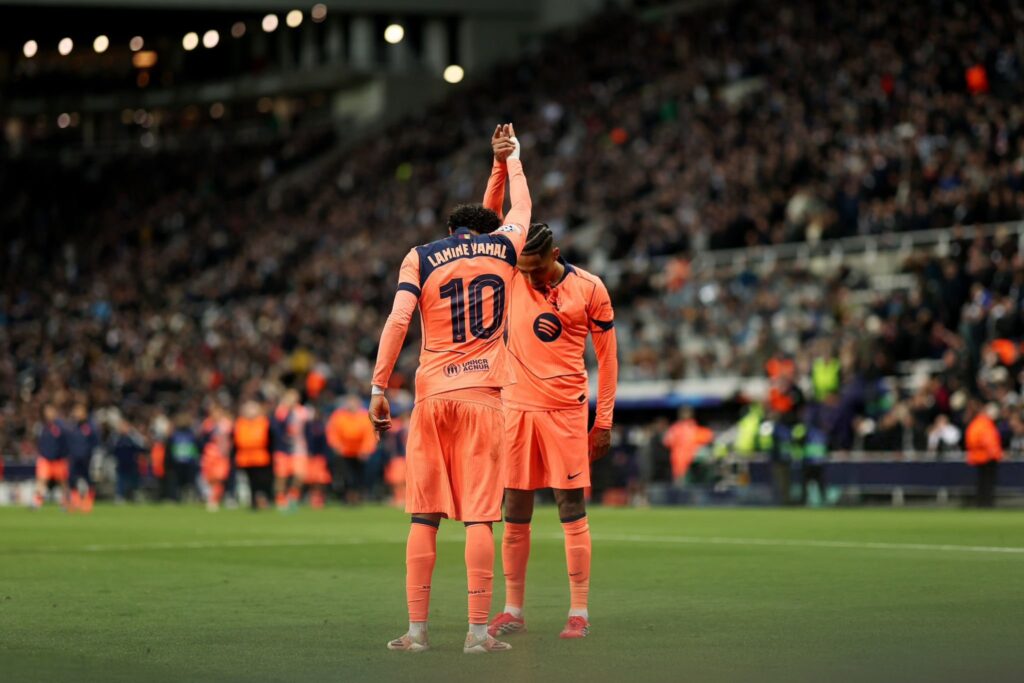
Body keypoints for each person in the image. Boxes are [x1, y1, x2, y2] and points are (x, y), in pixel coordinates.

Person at [370, 122, 531, 655]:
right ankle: (476, 634)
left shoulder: (420, 255)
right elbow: (520, 212)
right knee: (482, 516)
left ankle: (416, 633)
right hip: (485, 397)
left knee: (424, 514)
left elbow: (397, 322)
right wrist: (512, 160)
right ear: (487, 229)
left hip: (432, 397)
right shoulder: (505, 250)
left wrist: (377, 387)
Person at [480, 127, 618, 640]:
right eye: (525, 270)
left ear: (555, 253)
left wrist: (602, 421)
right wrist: (502, 164)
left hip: (564, 411)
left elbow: (608, 358)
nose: (531, 278)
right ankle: (513, 610)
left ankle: (578, 611)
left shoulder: (590, 289)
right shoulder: (512, 273)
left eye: (537, 269)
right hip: (514, 408)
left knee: (570, 506)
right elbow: (491, 218)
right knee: (513, 508)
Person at [326, 396, 376, 504]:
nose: (351, 406)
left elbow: (370, 435)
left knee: (359, 476)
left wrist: (365, 450)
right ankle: (347, 496)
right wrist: (337, 446)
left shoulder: (364, 416)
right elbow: (332, 432)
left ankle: (356, 496)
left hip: (359, 453)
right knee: (346, 475)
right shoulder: (338, 416)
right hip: (344, 452)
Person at [270, 389, 309, 510]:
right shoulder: (281, 411)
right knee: (281, 476)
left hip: (298, 447)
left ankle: (293, 496)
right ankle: (280, 499)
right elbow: (276, 428)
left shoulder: (302, 412)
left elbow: (308, 430)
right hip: (283, 449)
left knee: (300, 475)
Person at [233, 400, 273, 510]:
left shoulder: (264, 422)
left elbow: (271, 440)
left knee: (262, 481)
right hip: (245, 458)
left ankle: (264, 500)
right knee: (250, 482)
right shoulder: (240, 423)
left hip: (261, 458)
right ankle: (253, 502)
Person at [964, 399, 1003, 507]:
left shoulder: (976, 423)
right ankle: (986, 503)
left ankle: (981, 502)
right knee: (988, 483)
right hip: (987, 458)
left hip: (977, 457)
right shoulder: (986, 424)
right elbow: (989, 442)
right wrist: (997, 455)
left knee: (981, 482)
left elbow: (970, 441)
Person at [662, 407, 714, 484]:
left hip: (693, 464)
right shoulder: (676, 428)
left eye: (687, 413)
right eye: (684, 413)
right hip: (680, 465)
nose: (685, 415)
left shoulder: (693, 428)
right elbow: (667, 441)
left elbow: (708, 436)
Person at [65, 403, 99, 513]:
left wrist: (92, 456)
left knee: (88, 479)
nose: (77, 414)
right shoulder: (72, 427)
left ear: (84, 413)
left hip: (87, 458)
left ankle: (88, 502)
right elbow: (68, 442)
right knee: (72, 480)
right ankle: (75, 502)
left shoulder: (90, 427)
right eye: (76, 411)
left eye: (79, 411)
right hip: (74, 458)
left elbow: (96, 443)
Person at [34, 404, 69, 509]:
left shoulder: (61, 426)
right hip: (45, 459)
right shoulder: (42, 426)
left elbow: (66, 443)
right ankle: (37, 502)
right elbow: (40, 442)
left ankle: (65, 502)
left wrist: (64, 455)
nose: (48, 413)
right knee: (41, 480)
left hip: (59, 459)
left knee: (63, 482)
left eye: (50, 411)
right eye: (47, 411)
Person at [200, 403, 234, 511]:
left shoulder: (227, 424)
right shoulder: (207, 424)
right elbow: (203, 440)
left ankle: (215, 499)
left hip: (222, 455)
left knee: (220, 477)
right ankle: (212, 497)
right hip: (209, 455)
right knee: (210, 478)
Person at [164, 413, 201, 502]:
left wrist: (167, 463)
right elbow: (197, 449)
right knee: (189, 482)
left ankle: (176, 498)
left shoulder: (175, 435)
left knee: (177, 482)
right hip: (188, 462)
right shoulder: (191, 435)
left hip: (178, 462)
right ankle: (188, 497)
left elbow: (169, 451)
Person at [110, 419, 146, 503]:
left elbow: (141, 448)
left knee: (135, 480)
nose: (123, 429)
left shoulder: (133, 437)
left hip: (132, 463)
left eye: (125, 427)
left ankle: (135, 495)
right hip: (121, 463)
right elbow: (111, 449)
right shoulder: (116, 438)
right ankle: (119, 496)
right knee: (120, 481)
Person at [304, 404, 332, 509]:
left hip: (320, 456)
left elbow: (326, 442)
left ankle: (320, 497)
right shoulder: (308, 426)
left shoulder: (322, 426)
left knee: (320, 479)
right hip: (311, 456)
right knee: (311, 479)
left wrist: (326, 455)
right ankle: (313, 497)